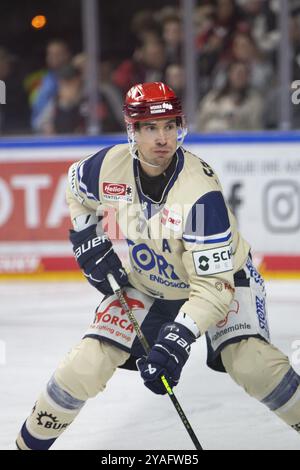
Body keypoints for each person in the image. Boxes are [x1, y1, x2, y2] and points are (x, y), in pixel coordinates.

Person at [17, 82, 300, 450]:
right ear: (132, 130)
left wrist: (178, 338)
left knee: (252, 364)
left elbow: (212, 290)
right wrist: (88, 239)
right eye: (150, 128)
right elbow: (76, 191)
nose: (163, 138)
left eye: (169, 126)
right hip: (149, 284)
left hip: (224, 282)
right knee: (83, 366)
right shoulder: (108, 166)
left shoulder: (200, 195)